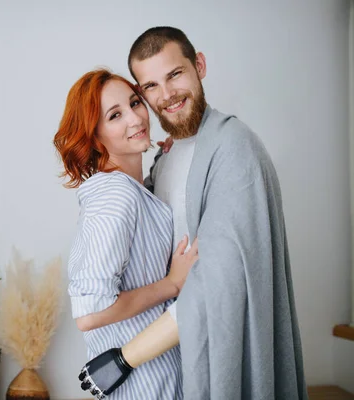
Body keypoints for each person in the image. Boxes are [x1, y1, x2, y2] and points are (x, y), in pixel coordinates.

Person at [78, 26, 308, 400]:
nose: (166, 96)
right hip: (167, 373)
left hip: (210, 360)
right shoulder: (165, 158)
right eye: (150, 87)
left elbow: (216, 282)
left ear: (198, 65)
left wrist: (124, 359)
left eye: (175, 74)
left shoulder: (233, 148)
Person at [53, 69, 199, 399]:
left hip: (158, 377)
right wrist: (172, 284)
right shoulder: (114, 194)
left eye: (135, 103)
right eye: (115, 115)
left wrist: (167, 158)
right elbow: (90, 314)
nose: (135, 119)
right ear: (94, 136)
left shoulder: (133, 190)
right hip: (142, 386)